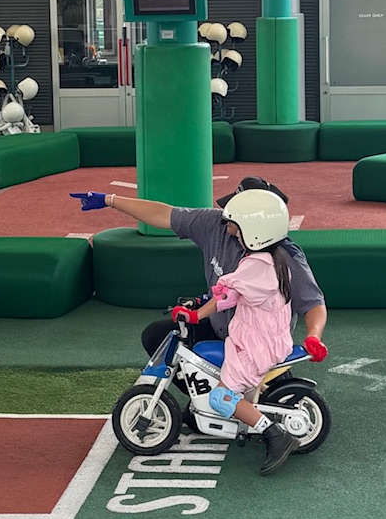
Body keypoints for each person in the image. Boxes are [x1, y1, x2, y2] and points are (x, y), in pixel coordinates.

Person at [70, 175, 328, 363]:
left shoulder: (284, 256)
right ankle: (205, 399)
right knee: (158, 336)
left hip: (258, 345)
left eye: (234, 213)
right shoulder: (216, 224)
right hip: (220, 330)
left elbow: (312, 303)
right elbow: (165, 215)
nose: (226, 218)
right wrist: (110, 200)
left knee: (261, 397)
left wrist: (313, 336)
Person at [166, 190, 300, 474]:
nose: (230, 232)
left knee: (220, 397)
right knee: (234, 381)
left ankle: (275, 434)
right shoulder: (274, 259)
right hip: (260, 337)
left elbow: (225, 295)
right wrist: (201, 308)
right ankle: (251, 409)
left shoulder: (255, 266)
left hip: (255, 344)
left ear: (255, 231)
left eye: (236, 227)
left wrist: (195, 314)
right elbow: (232, 295)